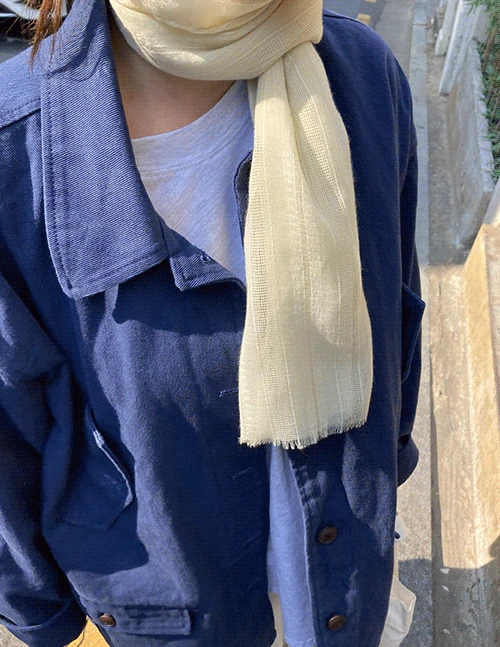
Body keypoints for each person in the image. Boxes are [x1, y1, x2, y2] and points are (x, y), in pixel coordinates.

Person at [0, 0, 425, 646]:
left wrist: (383, 479)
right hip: (168, 614)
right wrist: (52, 624)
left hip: (347, 578)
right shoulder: (14, 152)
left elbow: (399, 317)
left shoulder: (362, 75)